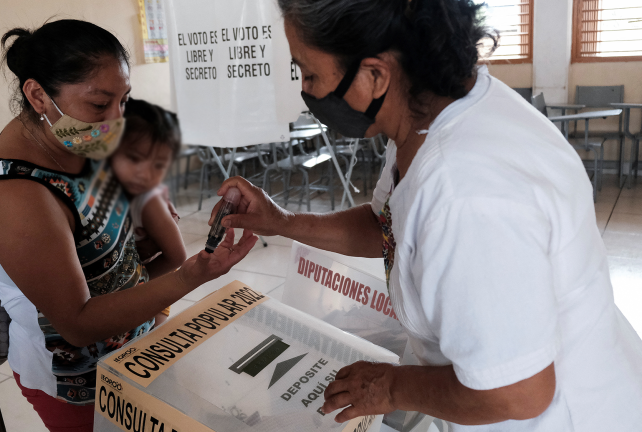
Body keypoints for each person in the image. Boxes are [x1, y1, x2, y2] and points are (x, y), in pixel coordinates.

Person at [209, 0, 642, 430]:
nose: (306, 88)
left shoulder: (464, 192)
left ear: (375, 75)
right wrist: (280, 221)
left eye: (309, 73)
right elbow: (390, 225)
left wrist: (390, 388)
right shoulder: (429, 113)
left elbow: (517, 392)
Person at [0, 20, 256, 432]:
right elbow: (78, 323)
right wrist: (190, 276)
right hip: (81, 383)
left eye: (124, 101)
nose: (116, 120)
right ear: (38, 96)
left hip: (141, 345)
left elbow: (154, 250)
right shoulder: (16, 197)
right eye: (99, 104)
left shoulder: (86, 139)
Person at [111, 98, 188, 326]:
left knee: (151, 337)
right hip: (130, 285)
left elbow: (176, 256)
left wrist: (132, 287)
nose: (145, 173)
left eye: (158, 165)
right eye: (134, 159)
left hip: (154, 284)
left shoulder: (146, 200)